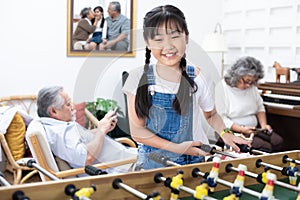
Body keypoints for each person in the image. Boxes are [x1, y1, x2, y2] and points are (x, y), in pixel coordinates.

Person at [122, 5, 250, 170]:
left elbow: (211, 115)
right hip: (152, 165)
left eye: (175, 36)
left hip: (194, 162)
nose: (168, 46)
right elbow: (138, 132)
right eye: (159, 39)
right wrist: (177, 148)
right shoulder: (137, 79)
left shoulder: (198, 77)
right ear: (148, 43)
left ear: (187, 37)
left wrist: (225, 134)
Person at [36, 86, 136, 174]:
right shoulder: (59, 132)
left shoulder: (58, 127)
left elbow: (81, 142)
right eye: (68, 104)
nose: (72, 107)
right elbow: (86, 158)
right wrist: (101, 130)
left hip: (125, 160)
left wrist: (103, 128)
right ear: (53, 111)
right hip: (123, 168)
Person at [216, 56, 283, 152]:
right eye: (246, 81)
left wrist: (264, 125)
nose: (249, 85)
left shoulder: (251, 88)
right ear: (236, 76)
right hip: (231, 131)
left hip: (253, 129)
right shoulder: (222, 88)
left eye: (252, 82)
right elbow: (221, 119)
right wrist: (241, 129)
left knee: (278, 141)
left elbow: (260, 107)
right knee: (264, 147)